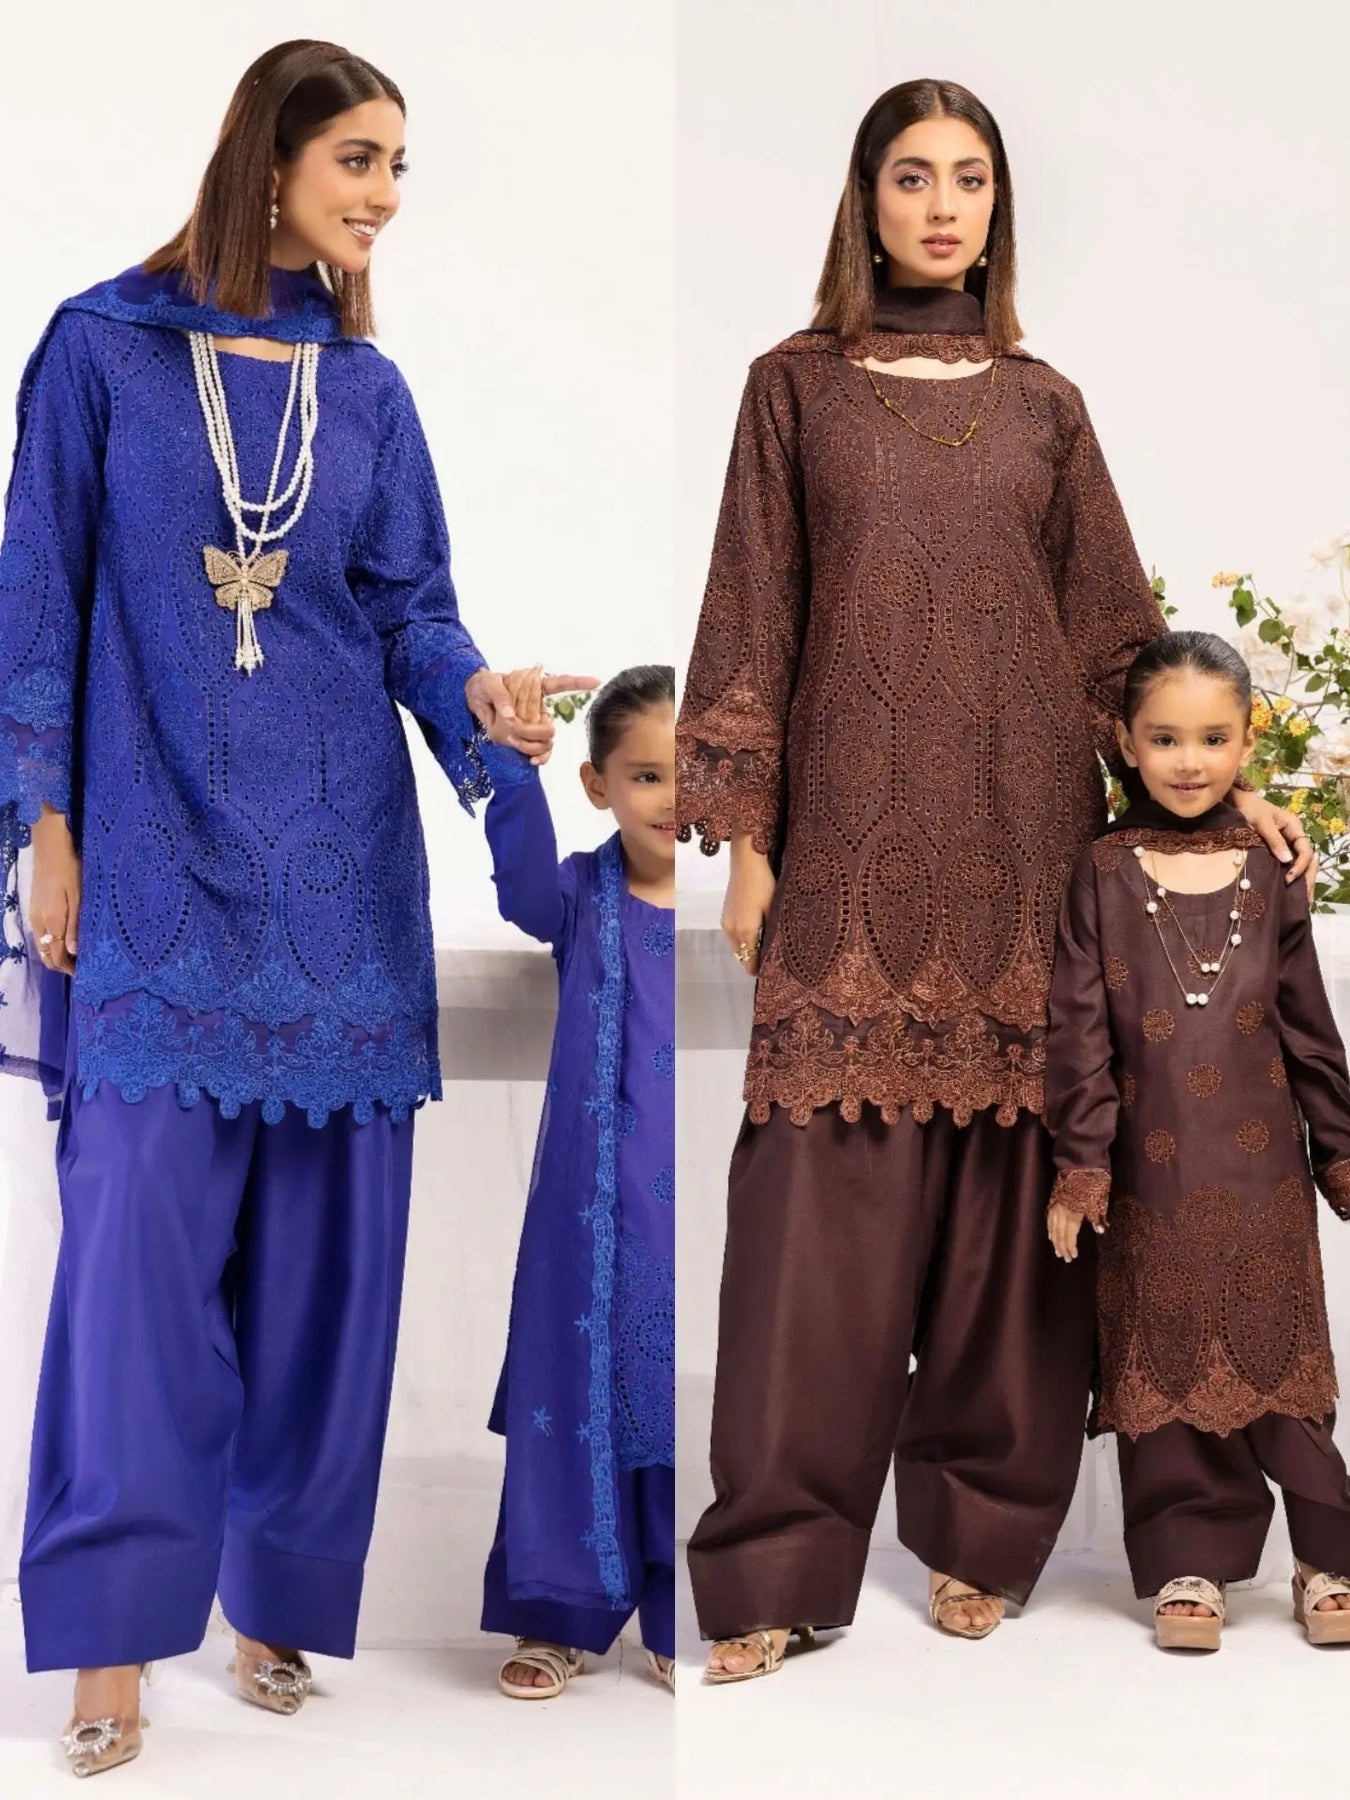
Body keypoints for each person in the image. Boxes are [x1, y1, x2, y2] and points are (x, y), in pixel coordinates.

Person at [0, 39, 591, 1777]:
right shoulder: (100, 349)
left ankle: (274, 1606)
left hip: (341, 884)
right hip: (153, 863)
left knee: (329, 1281)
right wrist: (42, 825)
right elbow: (36, 598)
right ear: (270, 160)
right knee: (135, 1271)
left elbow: (410, 611)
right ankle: (111, 1642)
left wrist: (479, 704)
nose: (384, 194)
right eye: (359, 159)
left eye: (399, 166)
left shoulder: (370, 395)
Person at [676, 77, 1313, 1682]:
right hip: (849, 851)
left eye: (969, 180)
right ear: (864, 200)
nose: (942, 207)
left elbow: (1115, 638)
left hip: (1031, 850)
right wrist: (748, 846)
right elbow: (751, 608)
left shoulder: (1043, 405)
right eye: (912, 178)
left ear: (996, 208)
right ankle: (772, 1566)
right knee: (810, 1239)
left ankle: (981, 1536)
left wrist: (1230, 793)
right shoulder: (791, 389)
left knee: (1015, 1233)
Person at [1046, 632, 1350, 1650]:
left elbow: (1309, 1027)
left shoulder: (1273, 866)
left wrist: (1341, 1150)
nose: (1188, 761)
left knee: (1281, 1360)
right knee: (1164, 1357)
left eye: (1213, 738)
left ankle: (1326, 1556)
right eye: (1165, 738)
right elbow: (1078, 1032)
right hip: (1150, 1173)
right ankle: (1190, 1560)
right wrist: (1081, 1167)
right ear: (1126, 743)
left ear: (1247, 741)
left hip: (1265, 1174)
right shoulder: (1101, 870)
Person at [478, 665, 676, 1697]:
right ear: (599, 785)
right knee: (577, 1388)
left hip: (684, 1209)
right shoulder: (583, 896)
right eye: (647, 775)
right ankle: (558, 1613)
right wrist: (515, 765)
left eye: (693, 773)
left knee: (669, 1392)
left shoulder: (735, 905)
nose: (672, 798)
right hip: (587, 1210)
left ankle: (678, 1612)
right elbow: (517, 892)